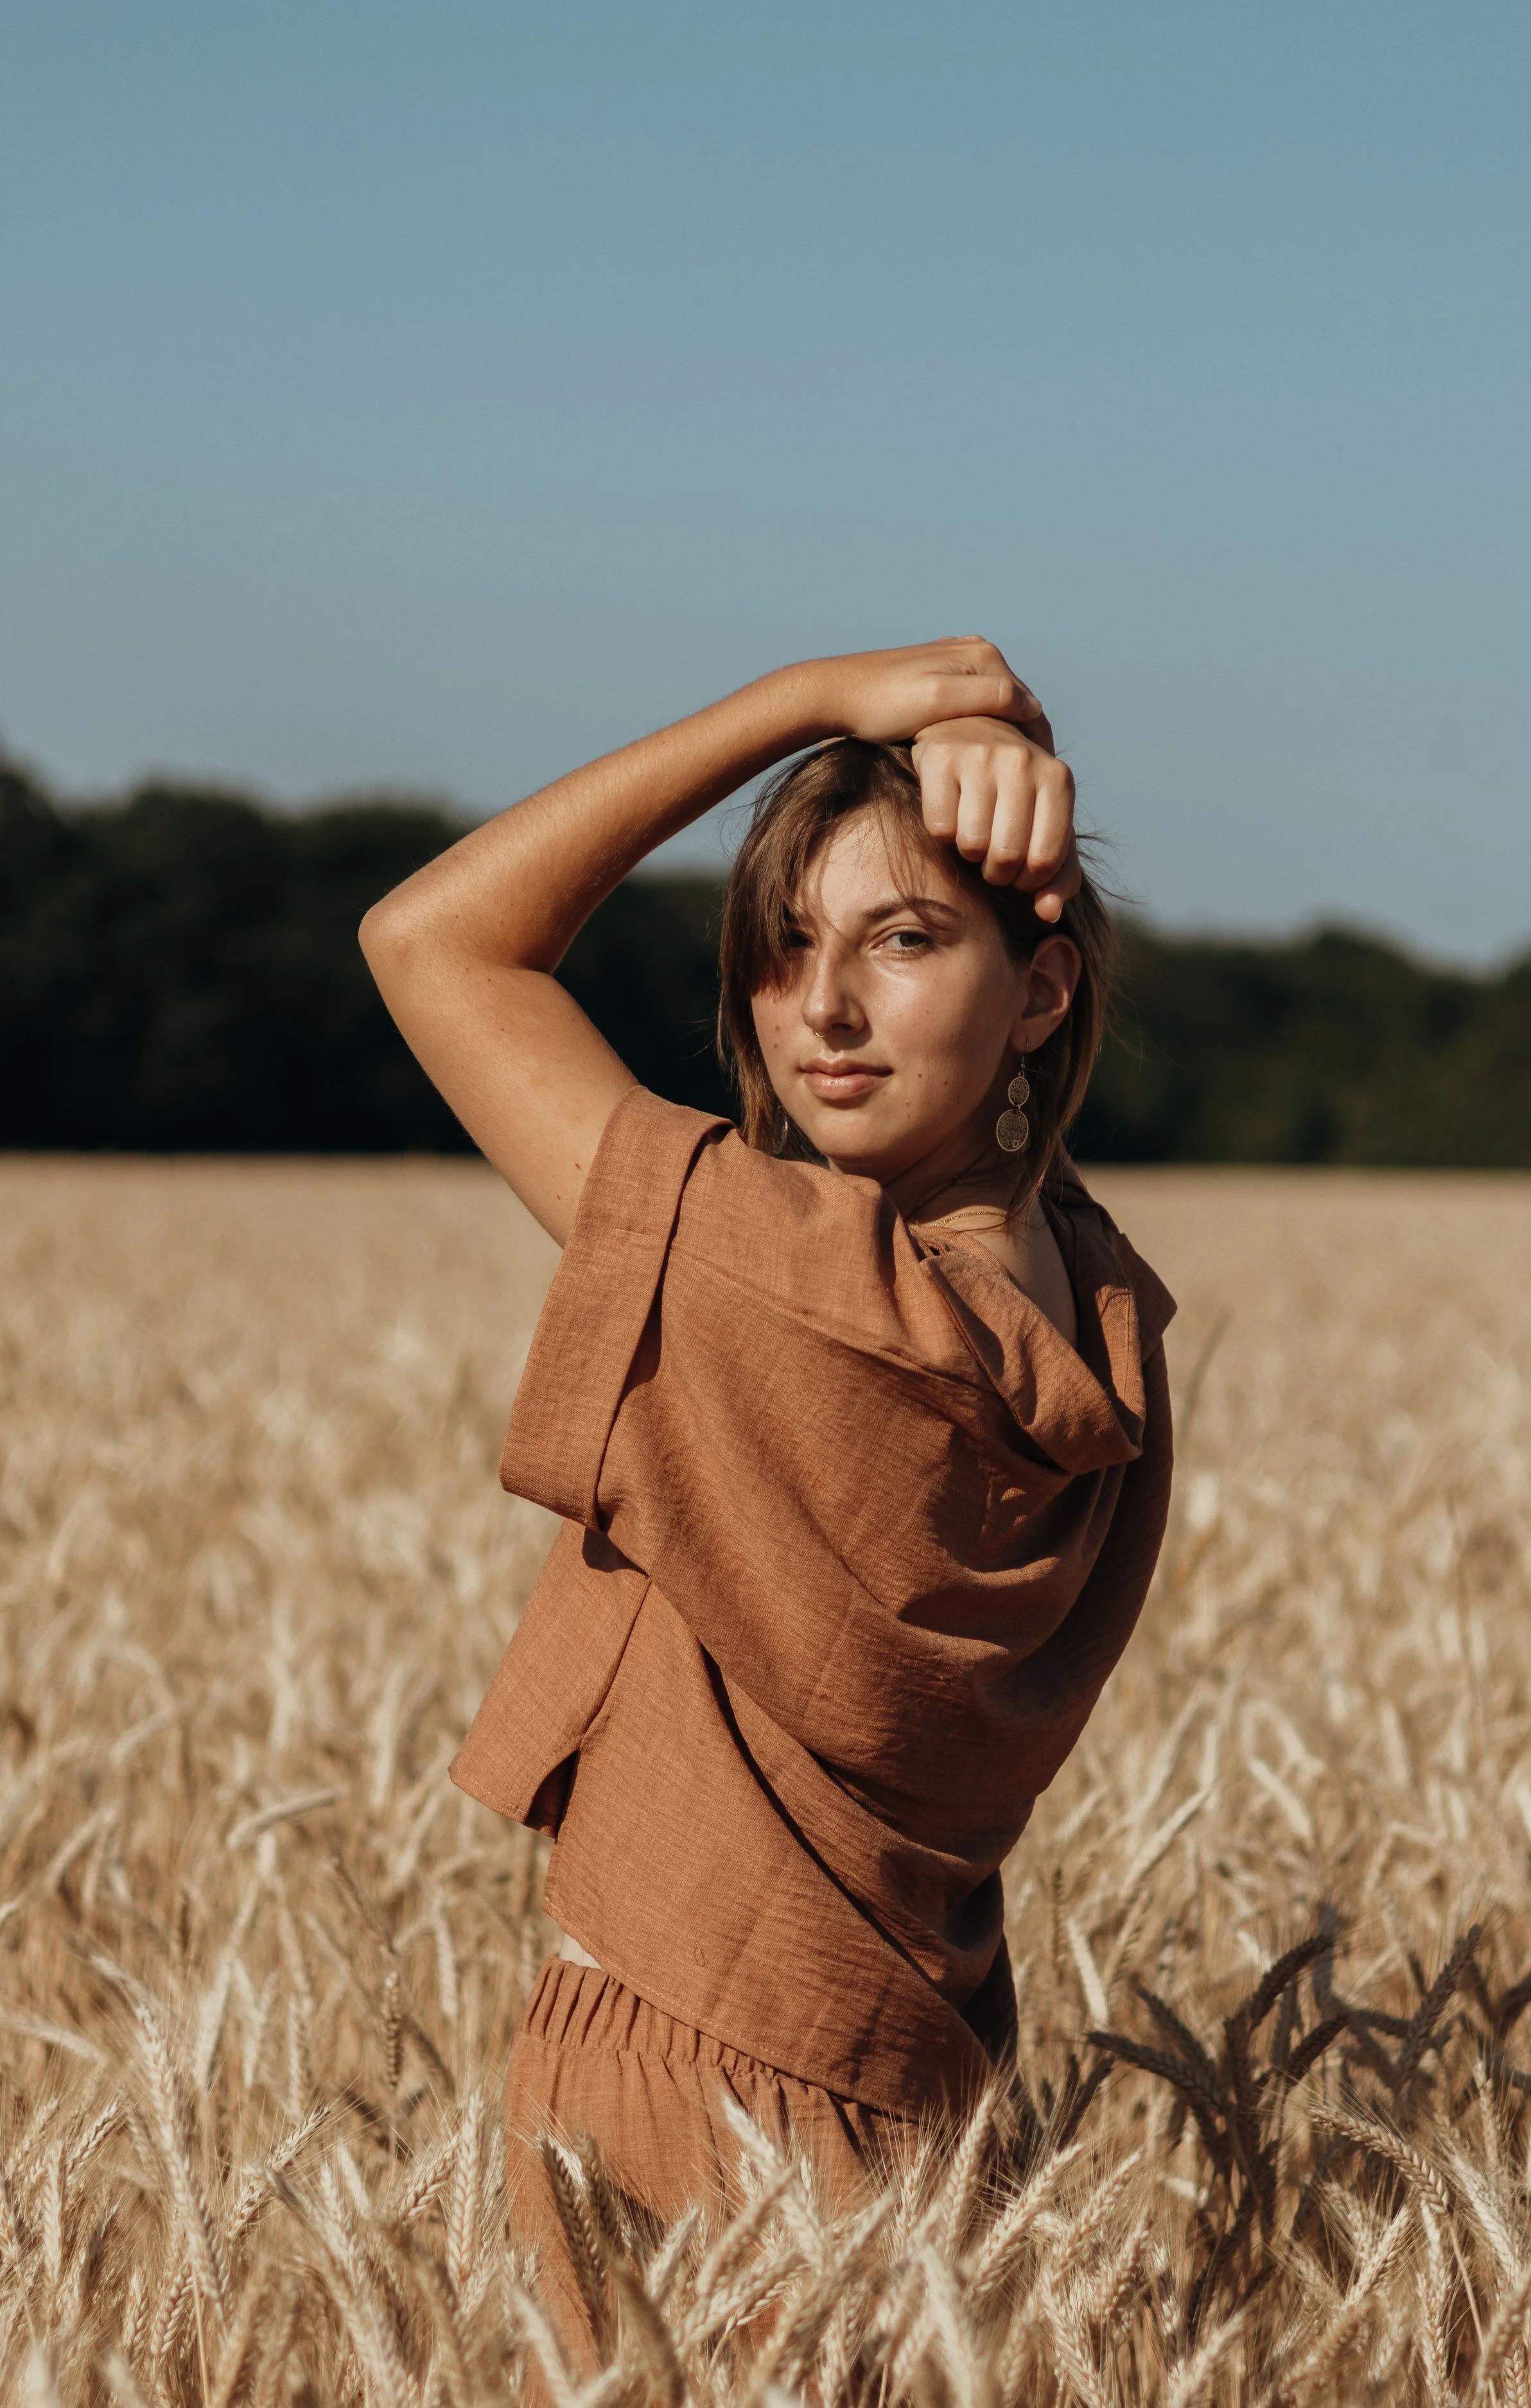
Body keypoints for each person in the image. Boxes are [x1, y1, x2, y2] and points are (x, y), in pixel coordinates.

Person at [360, 638, 1175, 2351]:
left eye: (904, 938)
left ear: (1038, 992)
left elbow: (431, 938)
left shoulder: (806, 1289)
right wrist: (977, 745)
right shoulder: (1094, 1302)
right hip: (914, 2116)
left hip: (680, 2092)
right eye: (782, 945)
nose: (823, 1009)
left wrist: (813, 701)